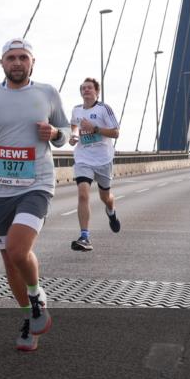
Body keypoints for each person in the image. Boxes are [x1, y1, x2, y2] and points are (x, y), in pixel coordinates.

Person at [0, 38, 71, 352]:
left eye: (23, 57)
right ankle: (29, 318)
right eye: (11, 58)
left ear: (32, 62)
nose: (17, 63)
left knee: (18, 250)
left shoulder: (47, 93)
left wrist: (55, 133)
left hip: (36, 184)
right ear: (2, 63)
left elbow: (67, 133)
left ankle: (36, 297)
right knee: (9, 261)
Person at [67, 78, 121, 252]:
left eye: (89, 88)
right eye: (83, 88)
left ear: (97, 91)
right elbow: (74, 125)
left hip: (103, 159)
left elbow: (116, 132)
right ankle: (85, 237)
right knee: (83, 195)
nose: (86, 90)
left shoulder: (104, 109)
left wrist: (95, 128)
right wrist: (73, 135)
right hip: (83, 158)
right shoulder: (76, 110)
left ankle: (111, 211)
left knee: (105, 197)